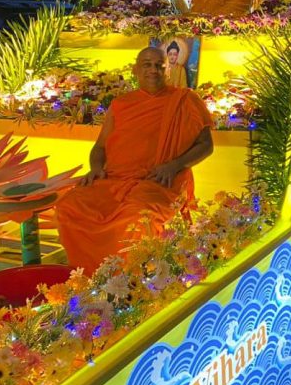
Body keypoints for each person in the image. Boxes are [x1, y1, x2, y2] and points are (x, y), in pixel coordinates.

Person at [56, 48, 214, 272]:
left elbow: (207, 145)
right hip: (114, 179)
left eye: (159, 65)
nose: (153, 70)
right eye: (147, 64)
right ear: (136, 69)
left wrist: (174, 165)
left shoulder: (185, 100)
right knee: (69, 206)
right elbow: (100, 147)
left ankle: (132, 280)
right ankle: (89, 275)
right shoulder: (121, 104)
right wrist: (96, 168)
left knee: (138, 216)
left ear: (167, 69)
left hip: (161, 179)